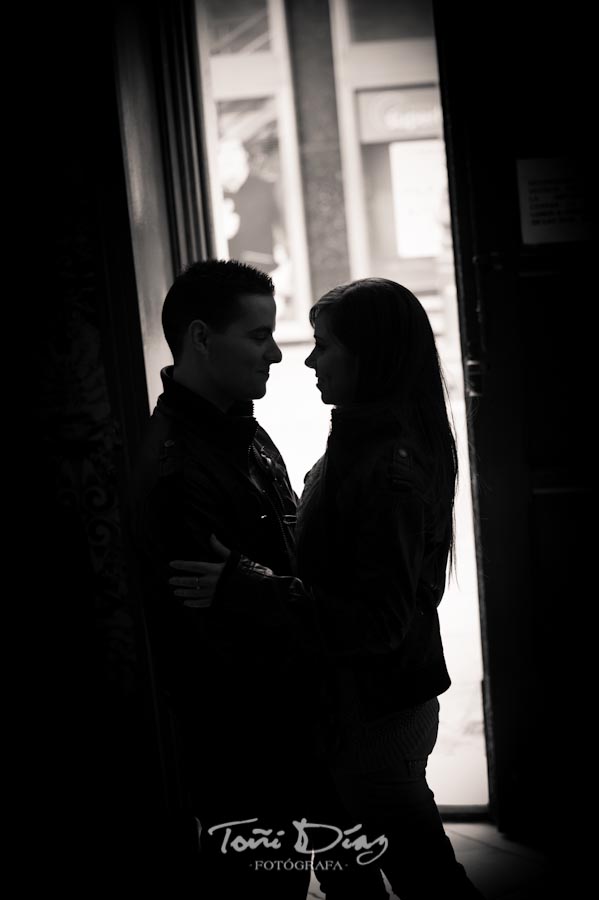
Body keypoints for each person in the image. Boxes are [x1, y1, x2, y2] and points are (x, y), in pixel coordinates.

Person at [171, 277, 486, 899]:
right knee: (366, 873)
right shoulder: (364, 438)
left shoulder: (385, 463)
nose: (307, 359)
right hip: (370, 710)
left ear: (371, 354)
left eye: (324, 345)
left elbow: (378, 623)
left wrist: (250, 586)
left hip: (377, 718)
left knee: (428, 879)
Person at [130, 259, 326, 899]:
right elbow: (213, 636)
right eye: (258, 334)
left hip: (290, 720)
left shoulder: (239, 423)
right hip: (247, 741)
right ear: (201, 338)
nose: (276, 352)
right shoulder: (177, 466)